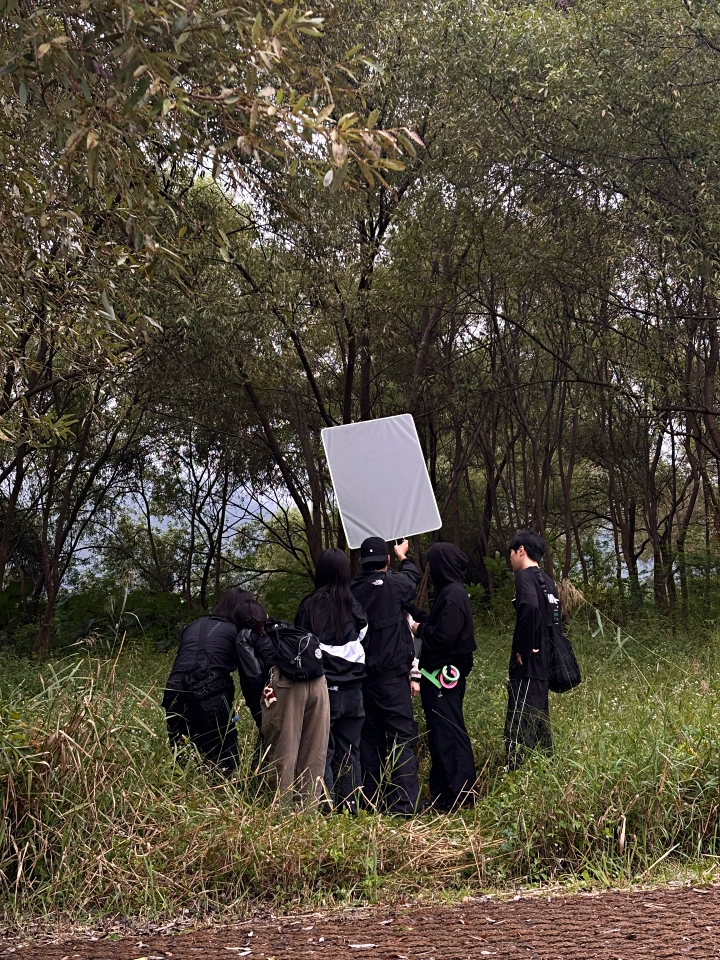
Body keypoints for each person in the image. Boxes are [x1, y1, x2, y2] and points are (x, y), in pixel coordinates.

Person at [351, 536, 421, 816]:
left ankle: (371, 801)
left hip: (363, 679)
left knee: (370, 740)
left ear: (360, 562)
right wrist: (404, 555)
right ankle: (405, 805)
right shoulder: (394, 584)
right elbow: (412, 580)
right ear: (387, 561)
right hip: (393, 678)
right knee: (402, 738)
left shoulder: (351, 590)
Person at [162, 587, 266, 774]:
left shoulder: (193, 625)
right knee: (224, 761)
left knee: (184, 759)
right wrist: (261, 716)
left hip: (174, 691)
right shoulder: (238, 632)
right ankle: (225, 796)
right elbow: (250, 678)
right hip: (212, 694)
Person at [295, 548, 368, 813]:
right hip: (355, 690)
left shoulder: (309, 605)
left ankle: (325, 810)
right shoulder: (354, 605)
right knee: (351, 751)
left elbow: (300, 647)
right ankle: (351, 808)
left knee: (322, 751)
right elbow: (363, 640)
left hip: (325, 689)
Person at [406, 542, 477, 810]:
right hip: (438, 678)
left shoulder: (453, 595)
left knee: (448, 735)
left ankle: (457, 796)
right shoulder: (450, 593)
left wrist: (418, 629)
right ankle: (443, 794)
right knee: (440, 734)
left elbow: (442, 636)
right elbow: (437, 622)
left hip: (442, 679)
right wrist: (413, 610)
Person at [253, 603, 330, 807]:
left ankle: (281, 813)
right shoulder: (289, 631)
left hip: (286, 684)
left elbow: (252, 676)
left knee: (283, 751)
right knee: (315, 752)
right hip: (319, 682)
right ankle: (308, 811)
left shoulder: (249, 636)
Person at [505, 530, 554, 770]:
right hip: (544, 663)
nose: (510, 559)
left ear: (521, 550)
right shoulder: (548, 581)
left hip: (528, 665)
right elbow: (556, 618)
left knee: (519, 720)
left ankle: (515, 770)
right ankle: (545, 767)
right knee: (540, 720)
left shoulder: (524, 577)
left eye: (511, 554)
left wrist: (524, 648)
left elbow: (531, 608)